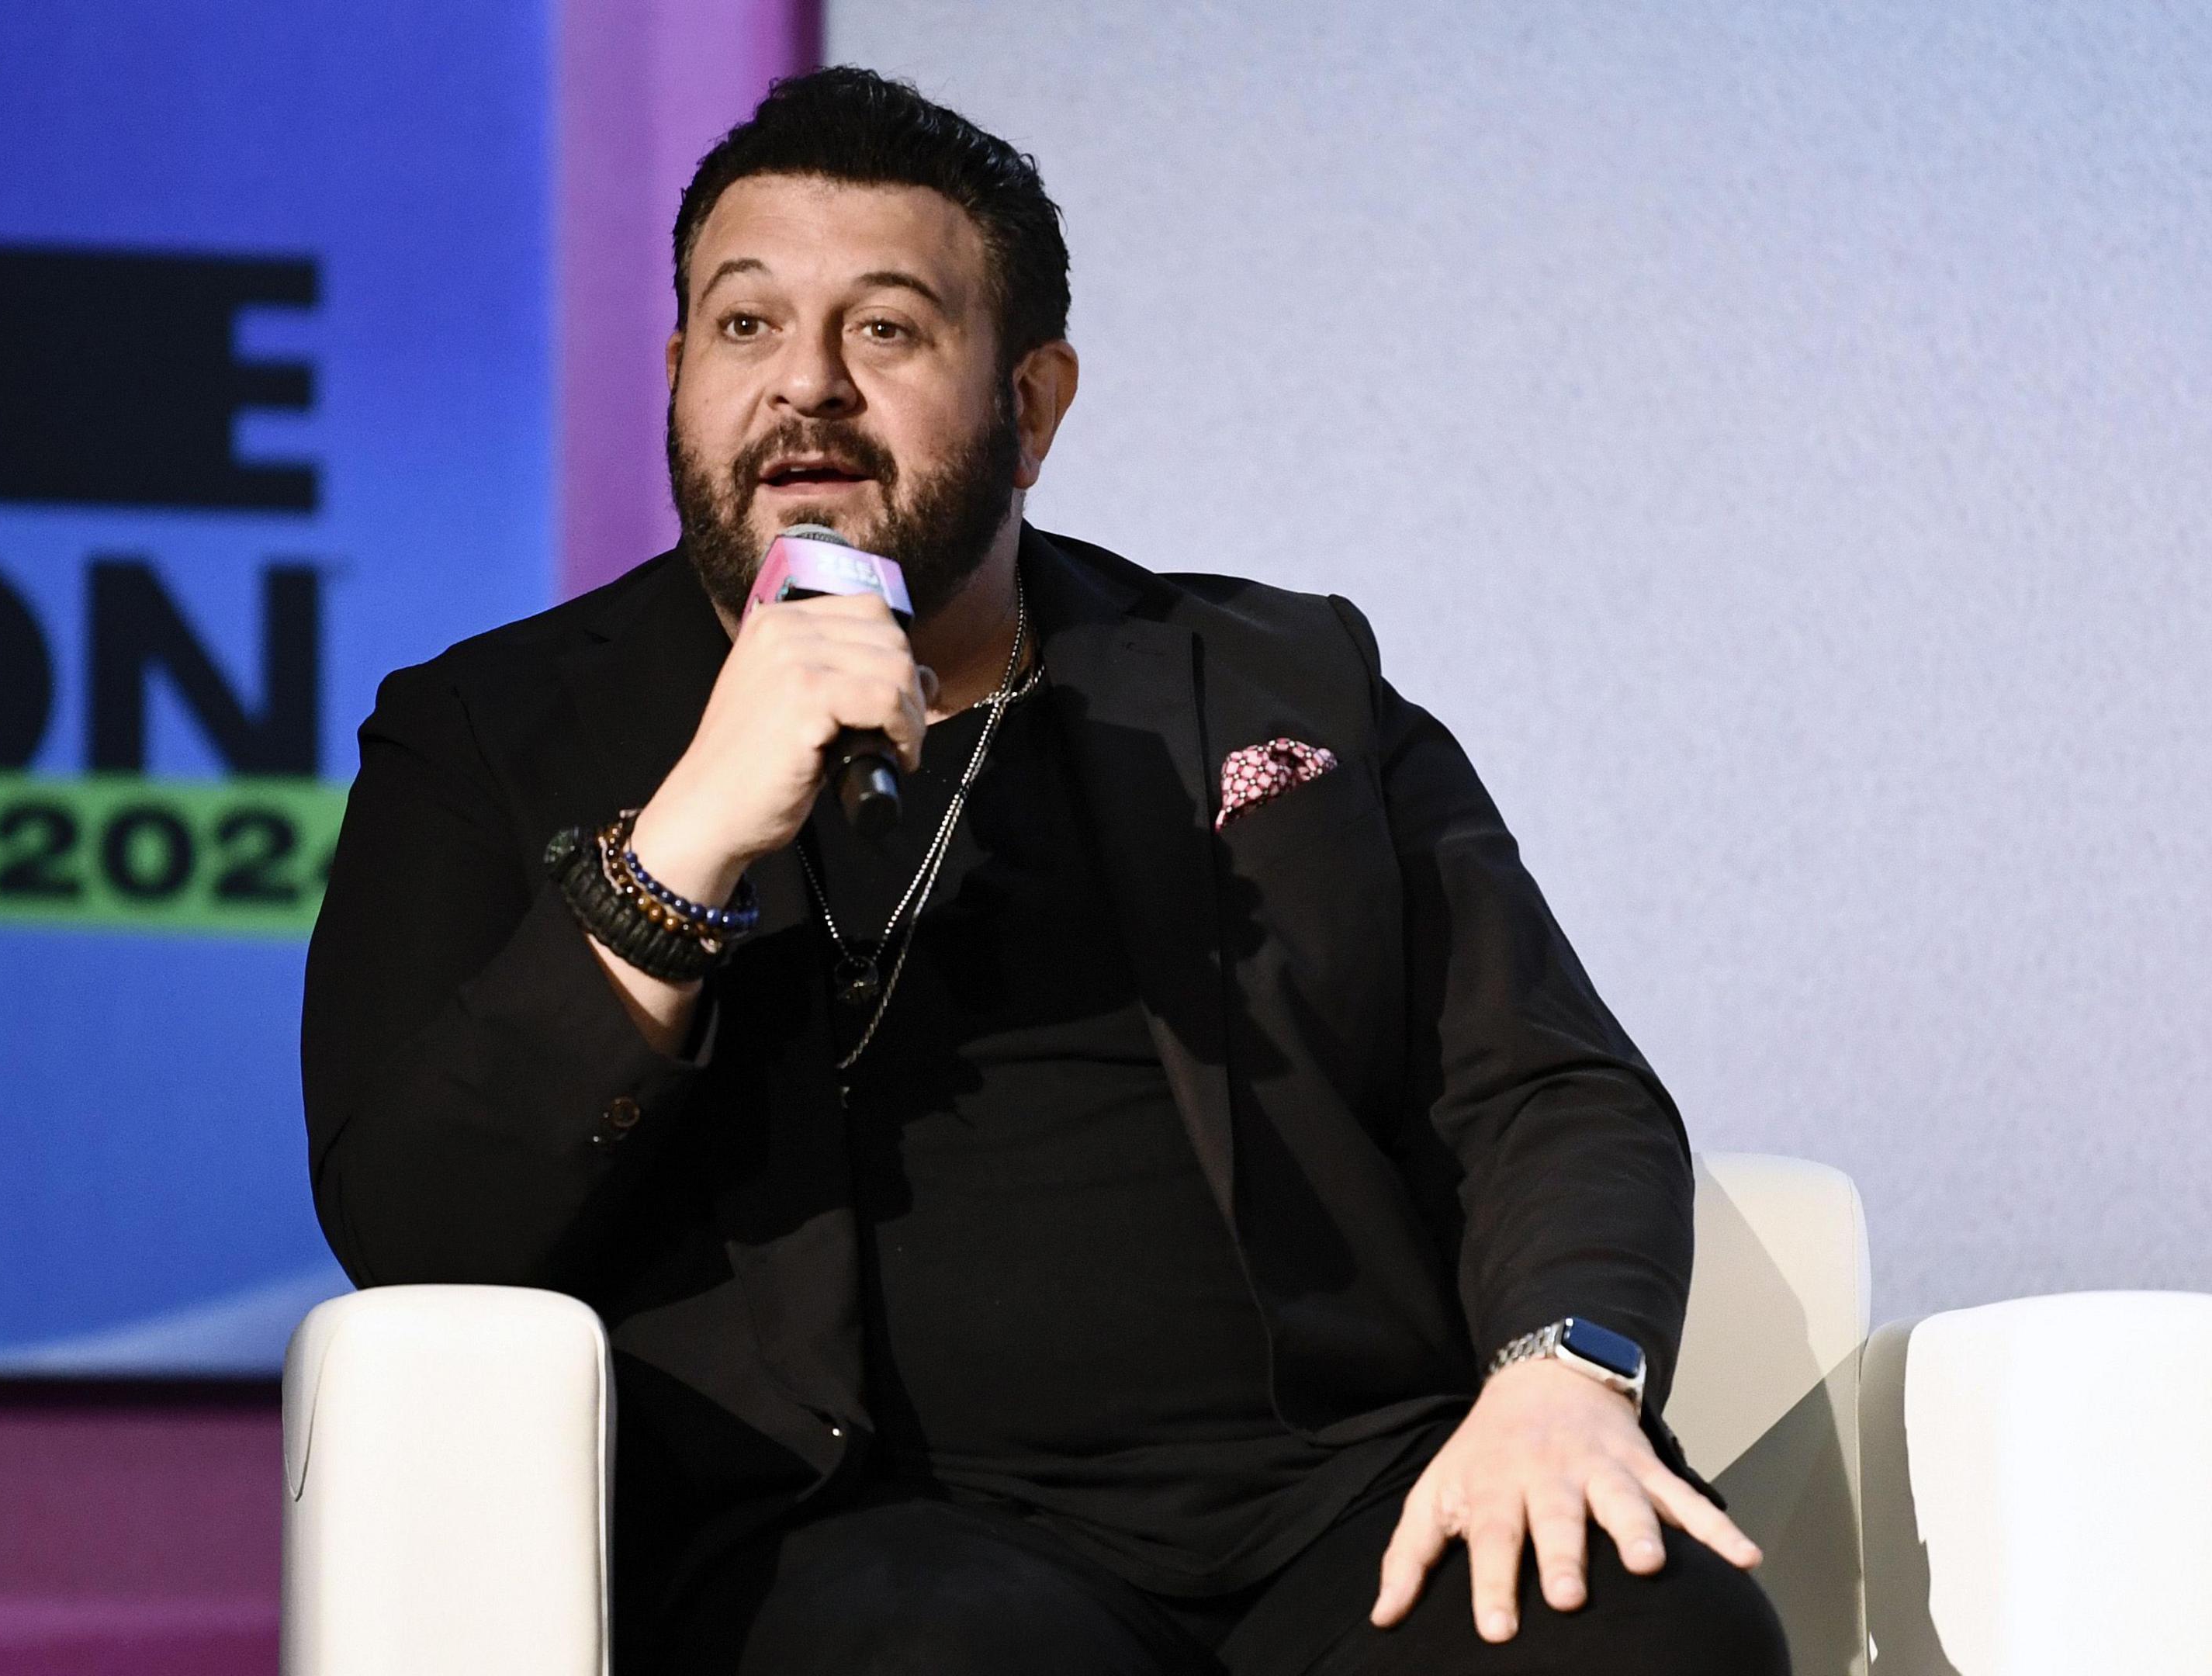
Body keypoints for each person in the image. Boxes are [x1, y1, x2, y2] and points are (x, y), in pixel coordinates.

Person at [300, 66, 1789, 1676]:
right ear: (674, 373)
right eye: (743, 329)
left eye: (886, 330)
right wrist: (685, 842)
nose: (805, 389)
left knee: (1650, 1631)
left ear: (1033, 403)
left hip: (1345, 1495)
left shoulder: (1282, 680)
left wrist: (1564, 1377)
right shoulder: (489, 732)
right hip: (857, 1535)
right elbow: (415, 1224)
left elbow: (1546, 1086)